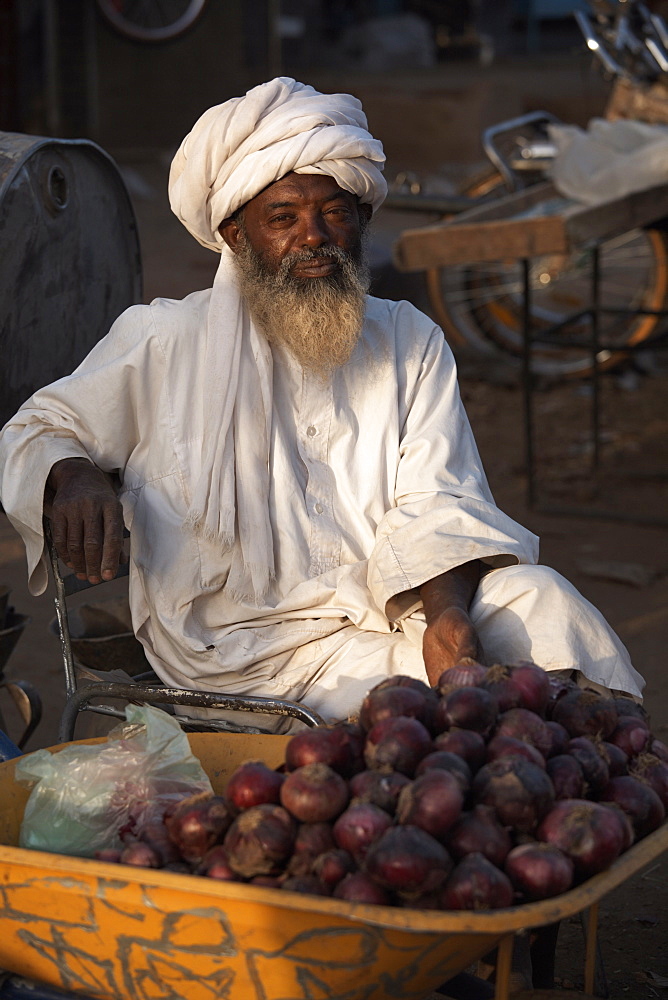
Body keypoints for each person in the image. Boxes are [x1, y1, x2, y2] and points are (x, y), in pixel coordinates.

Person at [0, 78, 643, 732]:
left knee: (547, 605)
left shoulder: (407, 339)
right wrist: (73, 472)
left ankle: (628, 775)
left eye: (334, 213)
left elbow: (441, 499)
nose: (314, 237)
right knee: (432, 713)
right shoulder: (165, 341)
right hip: (246, 651)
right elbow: (36, 429)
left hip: (388, 606)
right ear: (236, 234)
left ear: (362, 220)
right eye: (283, 218)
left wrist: (447, 616)